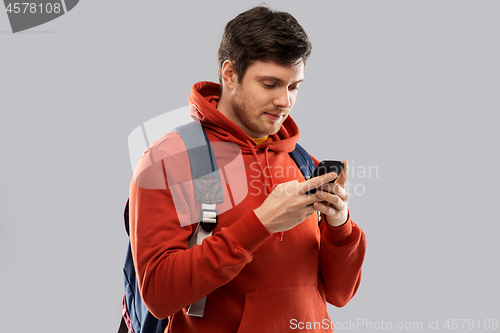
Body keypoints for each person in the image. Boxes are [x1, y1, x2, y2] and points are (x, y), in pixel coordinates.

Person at [129, 5, 366, 332]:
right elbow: (158, 294)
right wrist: (261, 224)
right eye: (270, 84)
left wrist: (340, 226)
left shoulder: (302, 161)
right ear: (229, 75)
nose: (285, 101)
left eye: (294, 86)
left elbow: (340, 294)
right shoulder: (168, 159)